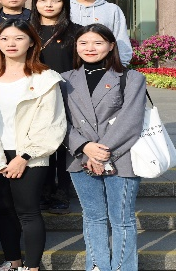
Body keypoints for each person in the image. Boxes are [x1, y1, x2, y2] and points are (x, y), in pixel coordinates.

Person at [0, 19, 66, 271]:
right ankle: (13, 261)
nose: (11, 44)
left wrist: (24, 157)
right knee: (3, 210)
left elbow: (51, 123)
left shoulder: (45, 78)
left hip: (31, 154)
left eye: (19, 38)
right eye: (5, 38)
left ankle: (32, 266)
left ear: (31, 43)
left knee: (28, 211)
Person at [61, 24, 145, 271]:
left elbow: (131, 120)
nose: (90, 48)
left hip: (121, 157)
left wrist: (101, 154)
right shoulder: (64, 80)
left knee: (122, 219)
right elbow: (58, 121)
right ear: (76, 47)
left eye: (98, 43)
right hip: (80, 157)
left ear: (110, 46)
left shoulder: (131, 77)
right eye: (83, 43)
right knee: (93, 217)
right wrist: (85, 147)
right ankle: (97, 265)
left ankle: (123, 267)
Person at [29, 0, 82, 214]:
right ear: (35, 3)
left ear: (64, 4)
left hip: (67, 92)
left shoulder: (76, 31)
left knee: (64, 143)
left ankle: (62, 191)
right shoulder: (25, 29)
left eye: (55, 0)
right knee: (40, 141)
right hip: (32, 94)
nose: (49, 5)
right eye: (43, 0)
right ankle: (43, 189)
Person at [69, 0, 133, 66]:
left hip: (104, 65)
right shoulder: (63, 8)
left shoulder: (112, 9)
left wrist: (122, 65)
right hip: (68, 63)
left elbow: (120, 37)